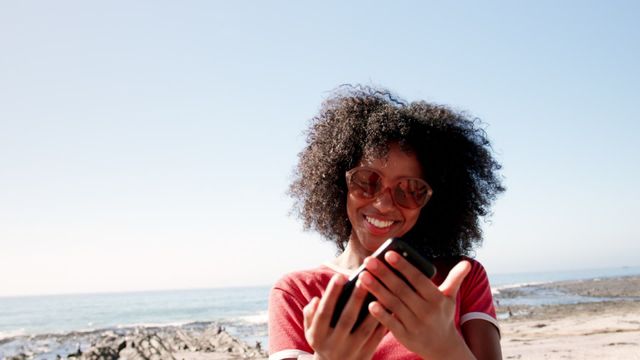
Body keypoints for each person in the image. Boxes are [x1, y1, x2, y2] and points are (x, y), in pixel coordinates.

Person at [268, 85, 504, 360]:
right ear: (338, 184)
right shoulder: (297, 292)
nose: (384, 204)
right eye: (367, 181)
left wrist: (445, 347)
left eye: (409, 190)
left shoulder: (461, 278)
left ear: (432, 202)